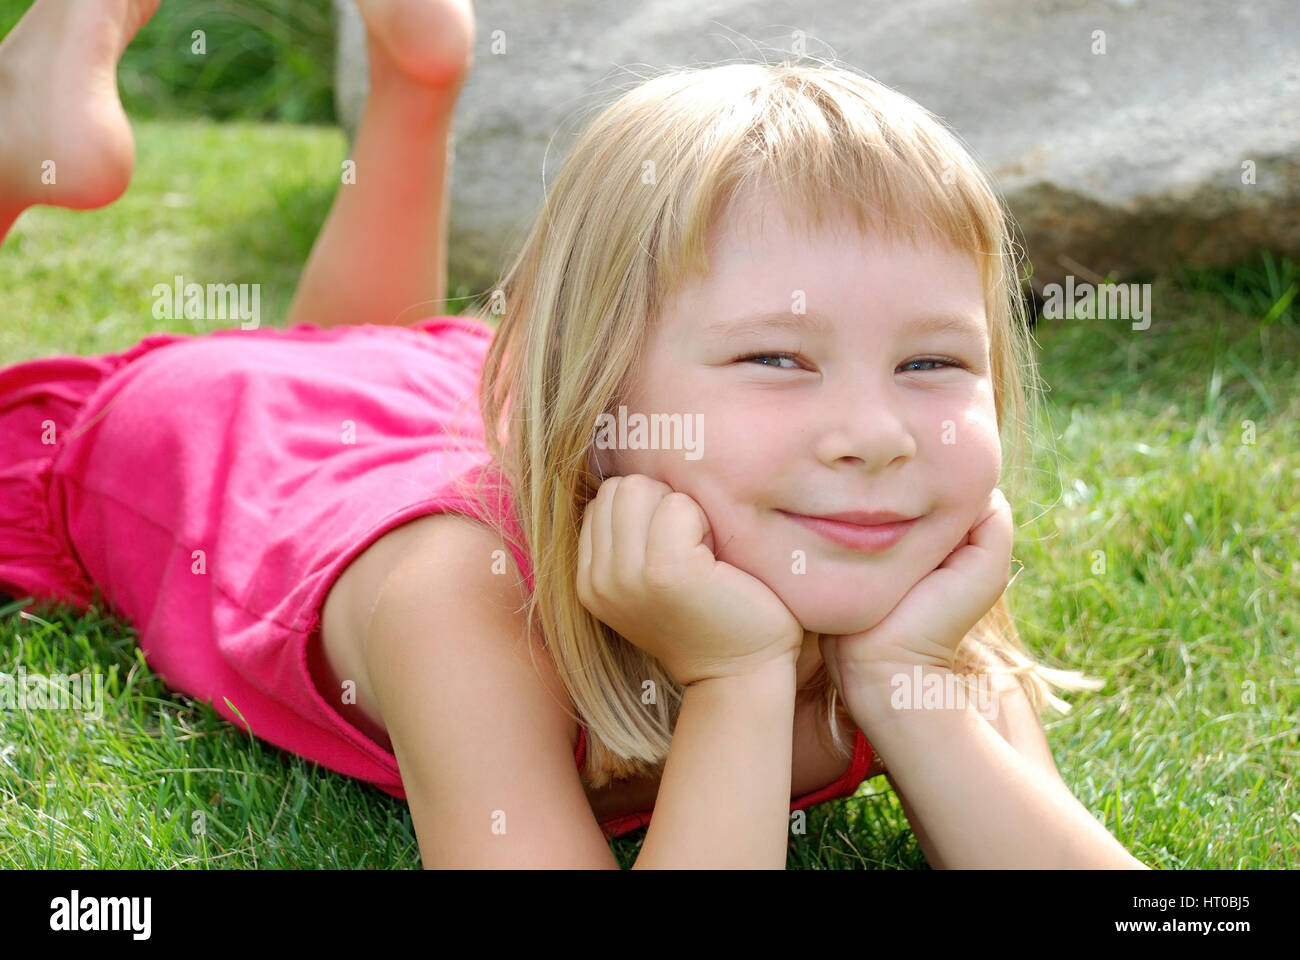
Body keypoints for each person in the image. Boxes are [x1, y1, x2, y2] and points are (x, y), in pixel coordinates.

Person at [0, 0, 1147, 869]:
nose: (876, 434)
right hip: (213, 439)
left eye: (931, 362)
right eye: (775, 359)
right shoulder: (466, 602)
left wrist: (902, 681)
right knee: (319, 366)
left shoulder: (903, 562)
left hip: (430, 393)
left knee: (383, 349)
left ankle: (419, 72)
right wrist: (741, 678)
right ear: (589, 400)